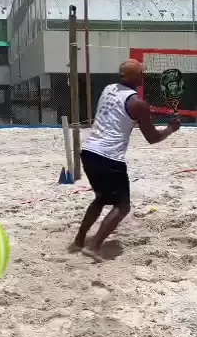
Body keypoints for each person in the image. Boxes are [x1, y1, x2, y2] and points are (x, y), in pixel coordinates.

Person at [70, 59, 180, 260]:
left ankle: (79, 240)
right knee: (123, 206)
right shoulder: (138, 103)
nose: (143, 76)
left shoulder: (108, 89)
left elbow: (120, 114)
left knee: (101, 198)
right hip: (109, 158)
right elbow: (152, 138)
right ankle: (94, 246)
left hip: (89, 152)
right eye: (141, 73)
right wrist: (170, 129)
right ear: (137, 76)